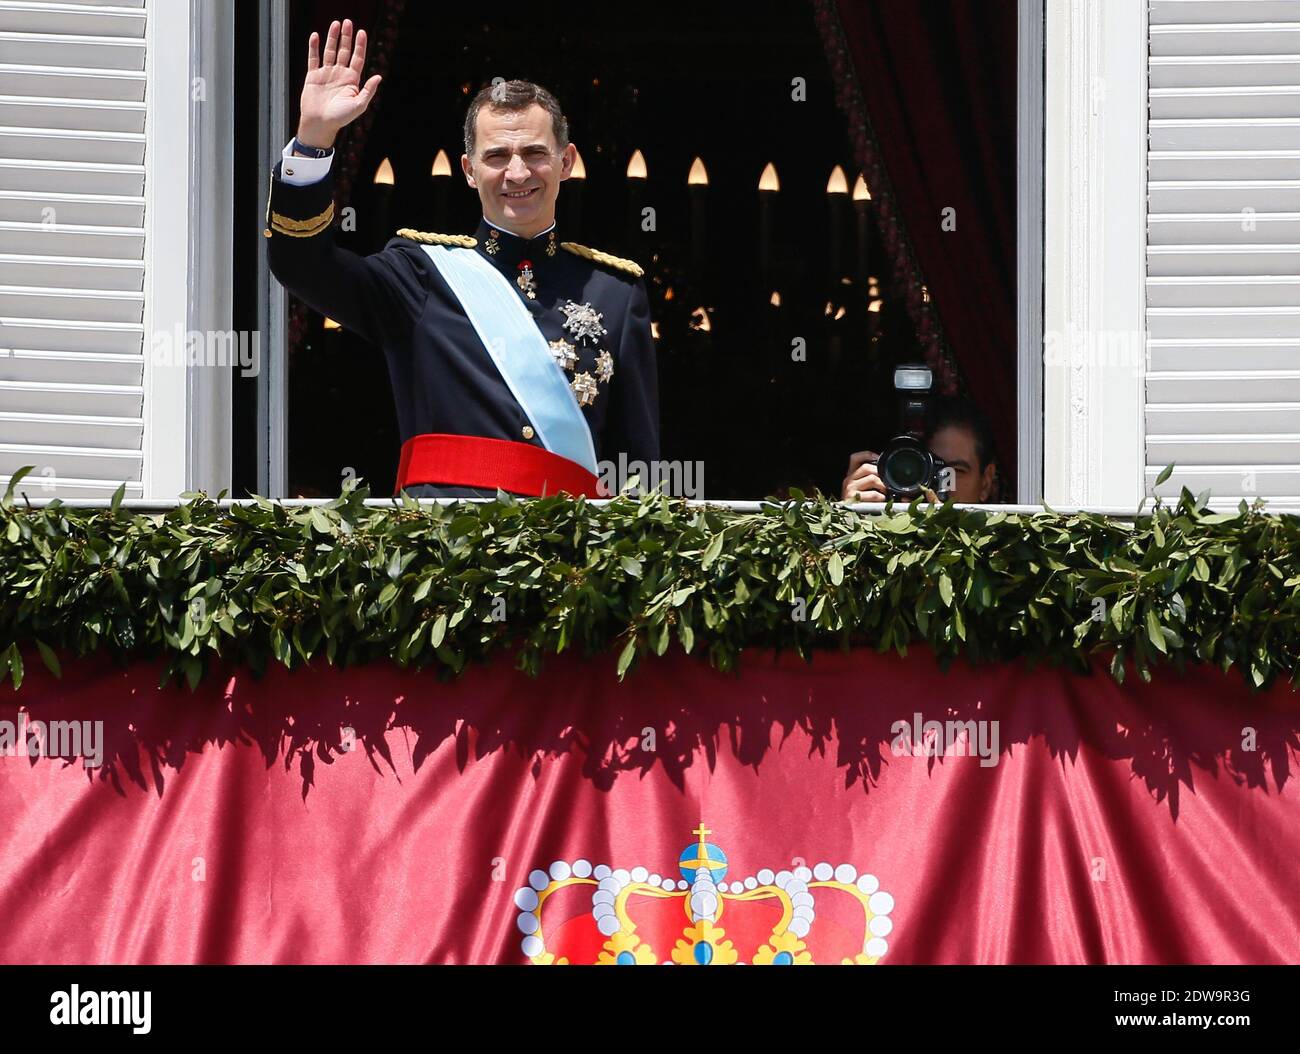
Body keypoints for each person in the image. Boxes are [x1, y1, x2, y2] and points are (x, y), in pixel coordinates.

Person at [265, 19, 659, 498]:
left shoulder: (616, 293)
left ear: (566, 161)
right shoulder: (419, 274)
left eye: (535, 152)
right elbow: (301, 263)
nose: (517, 172)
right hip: (444, 557)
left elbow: (638, 472)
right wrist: (314, 138)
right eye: (497, 156)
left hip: (568, 563)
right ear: (470, 171)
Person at [840, 396, 998, 503]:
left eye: (955, 470)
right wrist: (850, 519)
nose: (944, 484)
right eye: (931, 470)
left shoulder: (1004, 552)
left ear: (985, 482)